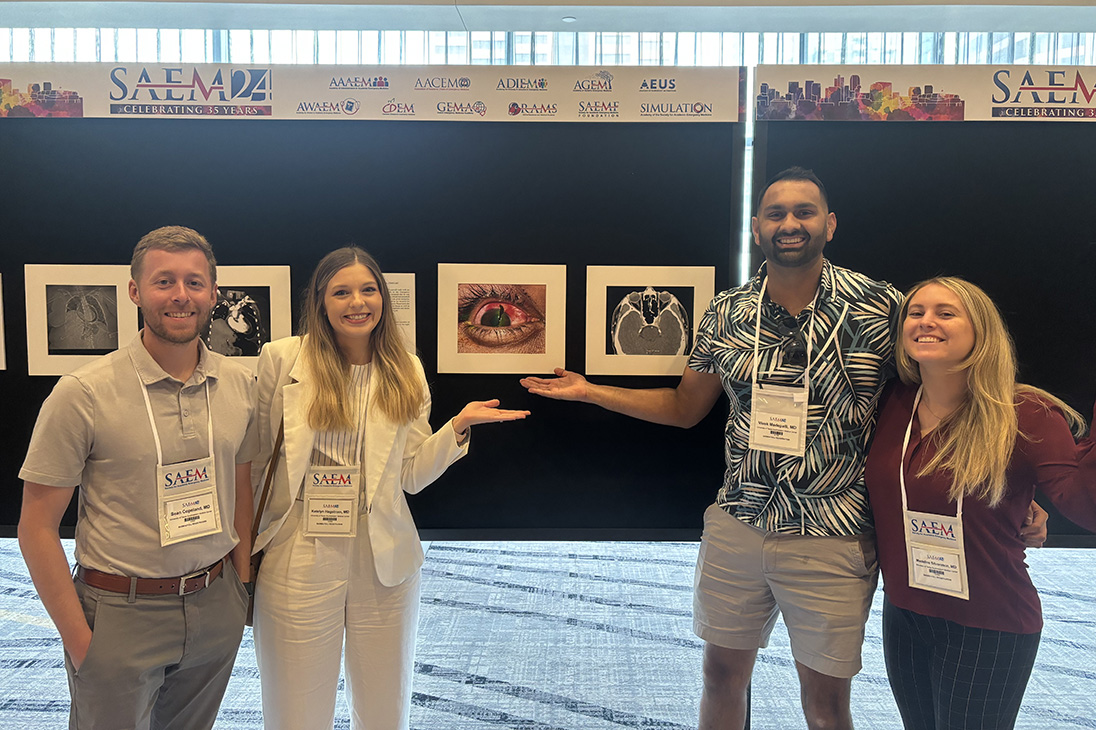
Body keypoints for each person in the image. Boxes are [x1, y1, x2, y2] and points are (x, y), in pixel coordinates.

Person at [523, 167, 902, 729]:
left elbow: (933, 406)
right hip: (740, 522)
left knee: (826, 705)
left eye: (804, 212)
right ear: (756, 228)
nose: (790, 224)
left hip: (833, 532)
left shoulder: (880, 308)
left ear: (830, 223)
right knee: (721, 678)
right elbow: (684, 408)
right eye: (776, 214)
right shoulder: (727, 312)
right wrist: (589, 391)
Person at [250, 246, 529, 730]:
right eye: (341, 291)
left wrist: (457, 429)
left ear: (383, 297)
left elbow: (411, 475)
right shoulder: (282, 358)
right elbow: (254, 460)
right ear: (319, 301)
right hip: (298, 545)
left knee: (384, 706)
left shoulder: (406, 368)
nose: (357, 302)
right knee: (294, 706)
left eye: (368, 289)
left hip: (384, 552)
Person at [18, 226, 257, 730]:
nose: (180, 295)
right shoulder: (82, 393)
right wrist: (82, 641)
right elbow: (36, 526)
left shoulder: (240, 385)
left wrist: (239, 591)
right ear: (134, 291)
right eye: (163, 281)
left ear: (213, 293)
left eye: (194, 282)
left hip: (214, 604)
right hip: (119, 613)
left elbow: (241, 488)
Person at [864, 277, 1096, 730]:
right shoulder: (892, 403)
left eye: (946, 313)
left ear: (981, 331)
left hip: (989, 623)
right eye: (916, 312)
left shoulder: (1025, 412)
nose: (926, 321)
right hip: (906, 615)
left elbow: (1085, 506)